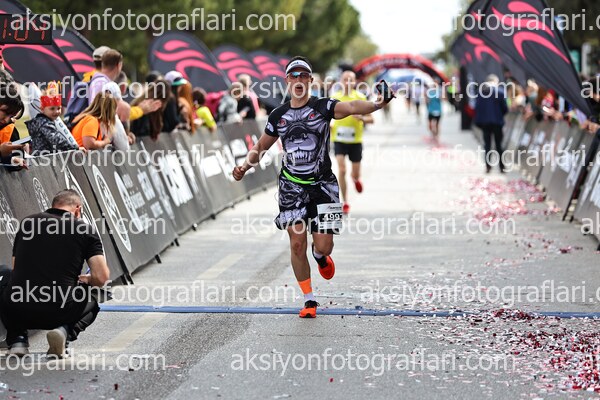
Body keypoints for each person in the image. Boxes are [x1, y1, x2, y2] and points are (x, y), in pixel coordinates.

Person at [232, 56, 393, 318]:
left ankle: (320, 256)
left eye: (303, 76)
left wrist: (377, 104)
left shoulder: (323, 106)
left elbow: (353, 106)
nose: (298, 80)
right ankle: (309, 300)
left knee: (324, 246)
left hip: (323, 186)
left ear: (309, 81)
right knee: (297, 243)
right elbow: (261, 146)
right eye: (293, 76)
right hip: (291, 187)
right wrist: (244, 166)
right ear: (287, 81)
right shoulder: (278, 115)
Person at [0, 189, 110, 357]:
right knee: (96, 293)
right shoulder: (85, 230)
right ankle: (64, 331)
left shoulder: (28, 223)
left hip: (19, 308)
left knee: (4, 273)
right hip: (59, 311)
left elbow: (16, 269)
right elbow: (101, 277)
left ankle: (17, 340)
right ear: (78, 209)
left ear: (53, 206)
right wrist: (87, 280)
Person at [330, 70, 374, 214]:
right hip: (339, 139)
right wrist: (329, 124)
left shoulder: (360, 97)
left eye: (351, 80)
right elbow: (327, 117)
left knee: (354, 173)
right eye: (345, 79)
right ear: (341, 81)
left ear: (355, 82)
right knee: (342, 170)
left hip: (355, 141)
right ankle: (345, 202)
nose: (348, 82)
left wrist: (361, 118)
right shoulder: (335, 97)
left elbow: (371, 119)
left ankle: (355, 179)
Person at [25, 82, 82, 155]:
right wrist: (75, 148)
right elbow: (56, 140)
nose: (56, 111)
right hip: (44, 158)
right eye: (52, 109)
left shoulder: (41, 122)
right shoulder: (44, 124)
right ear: (42, 109)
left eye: (59, 108)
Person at [474, 74, 508, 173]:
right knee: (499, 144)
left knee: (487, 144)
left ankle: (488, 166)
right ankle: (501, 166)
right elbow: (505, 108)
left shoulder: (480, 92)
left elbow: (477, 107)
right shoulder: (500, 92)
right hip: (497, 121)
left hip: (485, 122)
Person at [425, 80, 443, 145]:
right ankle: (434, 135)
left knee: (436, 125)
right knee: (431, 125)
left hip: (437, 110)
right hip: (431, 110)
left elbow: (442, 99)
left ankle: (436, 136)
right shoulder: (429, 93)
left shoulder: (439, 92)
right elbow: (427, 101)